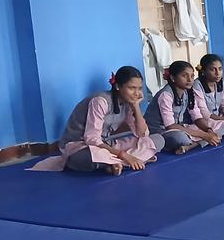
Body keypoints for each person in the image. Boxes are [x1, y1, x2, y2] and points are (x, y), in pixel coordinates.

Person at [30, 66, 162, 175]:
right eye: (132, 88)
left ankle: (114, 164)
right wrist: (124, 155)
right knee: (86, 157)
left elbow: (142, 134)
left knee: (157, 140)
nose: (137, 93)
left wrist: (136, 107)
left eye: (139, 88)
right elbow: (92, 139)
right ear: (117, 86)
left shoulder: (129, 103)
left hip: (105, 145)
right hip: (81, 146)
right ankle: (125, 161)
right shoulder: (100, 101)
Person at [145, 61, 224, 154]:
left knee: (218, 126)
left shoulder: (188, 92)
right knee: (180, 138)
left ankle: (191, 145)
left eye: (192, 76)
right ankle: (194, 143)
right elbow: (170, 126)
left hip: (180, 127)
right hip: (161, 132)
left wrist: (208, 130)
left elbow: (197, 117)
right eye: (185, 76)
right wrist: (204, 135)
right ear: (173, 78)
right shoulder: (166, 95)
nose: (190, 80)